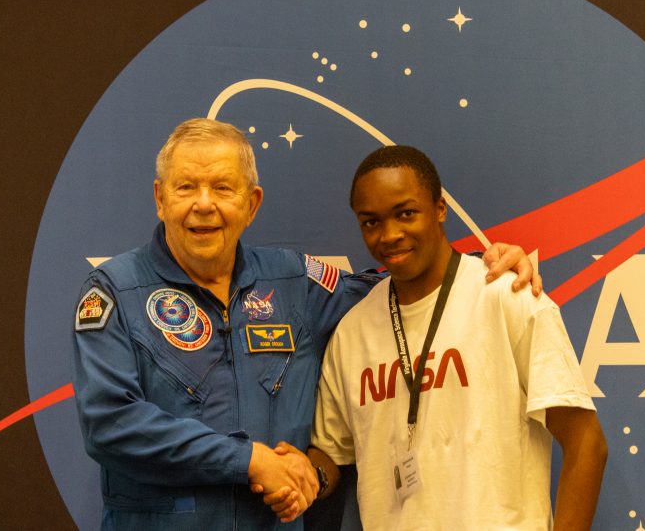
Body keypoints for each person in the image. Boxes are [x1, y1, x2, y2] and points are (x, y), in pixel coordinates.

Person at [71, 119, 540, 531]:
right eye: (186, 187)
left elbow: (399, 281)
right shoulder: (115, 291)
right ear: (160, 198)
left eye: (223, 188)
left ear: (252, 204)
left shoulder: (294, 281)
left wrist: (480, 267)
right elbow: (110, 424)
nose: (204, 204)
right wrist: (249, 460)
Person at [288, 145, 608, 530]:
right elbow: (332, 454)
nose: (390, 234)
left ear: (440, 209)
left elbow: (587, 443)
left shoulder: (508, 298)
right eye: (371, 222)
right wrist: (299, 476)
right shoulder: (352, 331)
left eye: (406, 213)